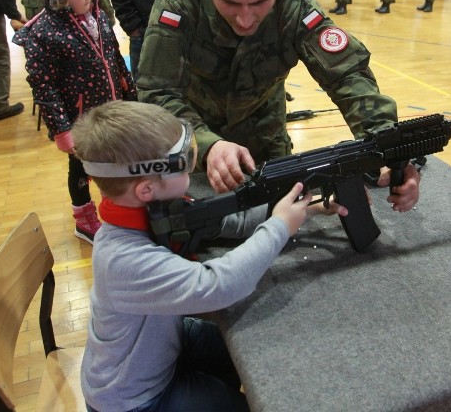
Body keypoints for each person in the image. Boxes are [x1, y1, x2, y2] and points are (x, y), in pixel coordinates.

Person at [74, 99, 347, 411]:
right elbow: (218, 286)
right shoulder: (121, 259)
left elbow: (228, 220)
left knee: (252, 351)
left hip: (163, 342)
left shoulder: (154, 211)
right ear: (146, 188)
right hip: (135, 396)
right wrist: (280, 226)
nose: (195, 163)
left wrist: (305, 210)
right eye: (186, 160)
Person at [136, 0, 421, 209]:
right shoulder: (179, 2)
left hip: (267, 145)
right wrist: (209, 146)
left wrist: (390, 149)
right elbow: (157, 93)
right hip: (193, 148)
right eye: (230, 2)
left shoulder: (294, 4)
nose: (245, 19)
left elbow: (347, 75)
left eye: (259, 2)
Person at [13, 0, 136, 244]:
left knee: (112, 160)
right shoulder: (43, 34)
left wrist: (130, 94)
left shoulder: (98, 16)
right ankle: (84, 219)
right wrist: (62, 130)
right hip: (79, 120)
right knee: (80, 169)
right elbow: (44, 87)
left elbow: (116, 59)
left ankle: (113, 203)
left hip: (112, 111)